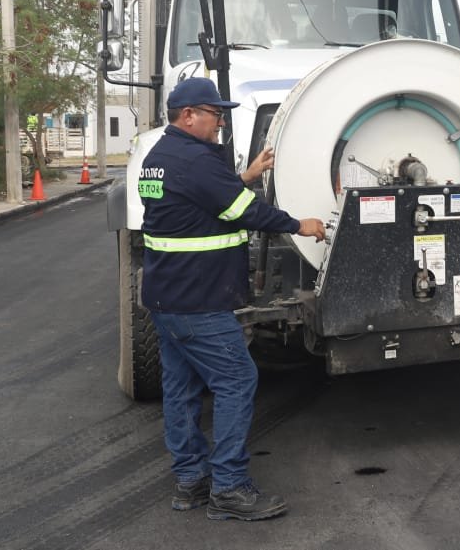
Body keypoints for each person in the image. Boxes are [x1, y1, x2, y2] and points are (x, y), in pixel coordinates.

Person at [138, 77, 326, 521]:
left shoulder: (159, 157)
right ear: (189, 116)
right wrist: (299, 224)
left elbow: (198, 200)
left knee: (181, 390)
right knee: (237, 380)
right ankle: (229, 487)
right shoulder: (197, 160)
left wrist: (245, 176)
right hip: (199, 300)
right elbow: (244, 210)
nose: (220, 122)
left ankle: (190, 480)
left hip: (167, 298)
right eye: (214, 114)